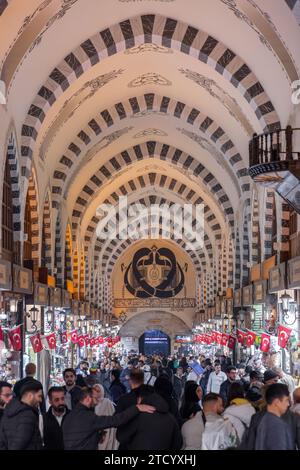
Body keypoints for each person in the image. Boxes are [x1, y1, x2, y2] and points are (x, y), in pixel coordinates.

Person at [62, 387, 155, 450]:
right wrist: (136, 408)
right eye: (96, 399)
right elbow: (116, 420)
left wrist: (97, 437)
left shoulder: (69, 416)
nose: (97, 402)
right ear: (88, 398)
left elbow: (80, 438)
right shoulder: (88, 417)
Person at [116, 384, 182, 450]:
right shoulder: (171, 418)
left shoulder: (138, 416)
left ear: (139, 399)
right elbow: (178, 444)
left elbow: (121, 437)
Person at [0, 382, 43, 450]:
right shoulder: (27, 414)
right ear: (30, 396)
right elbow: (18, 444)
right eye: (39, 396)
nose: (41, 400)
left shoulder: (7, 412)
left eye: (11, 395)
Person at [255, 383, 294, 450]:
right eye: (286, 400)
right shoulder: (276, 425)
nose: (288, 404)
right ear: (276, 402)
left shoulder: (264, 418)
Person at [92, 384, 118, 450]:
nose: (96, 393)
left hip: (108, 432)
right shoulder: (90, 404)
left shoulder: (107, 402)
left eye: (98, 391)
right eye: (94, 391)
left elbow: (113, 418)